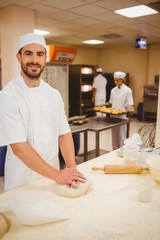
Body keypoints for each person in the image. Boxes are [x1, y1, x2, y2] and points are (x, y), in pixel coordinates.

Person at [0, 33, 86, 192]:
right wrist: (57, 175)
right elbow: (18, 146)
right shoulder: (7, 96)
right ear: (19, 57)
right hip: (22, 180)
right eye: (28, 53)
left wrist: (71, 169)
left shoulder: (53, 94)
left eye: (39, 54)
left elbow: (64, 133)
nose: (34, 60)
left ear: (45, 58)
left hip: (52, 177)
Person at [109, 71, 134, 150]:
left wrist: (130, 114)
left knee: (122, 135)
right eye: (115, 80)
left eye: (117, 80)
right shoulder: (113, 90)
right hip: (113, 115)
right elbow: (111, 103)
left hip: (122, 116)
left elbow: (130, 104)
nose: (115, 82)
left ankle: (122, 150)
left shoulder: (127, 90)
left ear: (122, 80)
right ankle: (114, 150)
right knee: (114, 134)